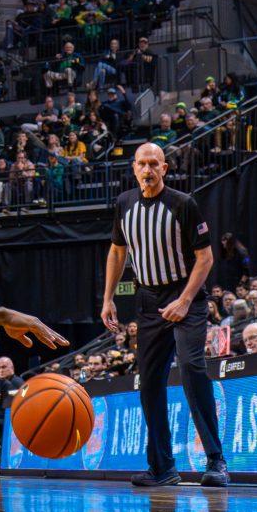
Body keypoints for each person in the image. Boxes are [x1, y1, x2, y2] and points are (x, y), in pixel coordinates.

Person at [101, 143, 227, 487]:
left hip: (185, 296)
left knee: (191, 368)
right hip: (148, 300)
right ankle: (162, 466)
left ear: (165, 168)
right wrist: (108, 298)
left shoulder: (183, 204)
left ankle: (216, 460)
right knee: (150, 383)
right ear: (133, 168)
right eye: (142, 164)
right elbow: (117, 250)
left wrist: (185, 301)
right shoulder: (124, 204)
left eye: (154, 164)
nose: (148, 169)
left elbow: (206, 259)